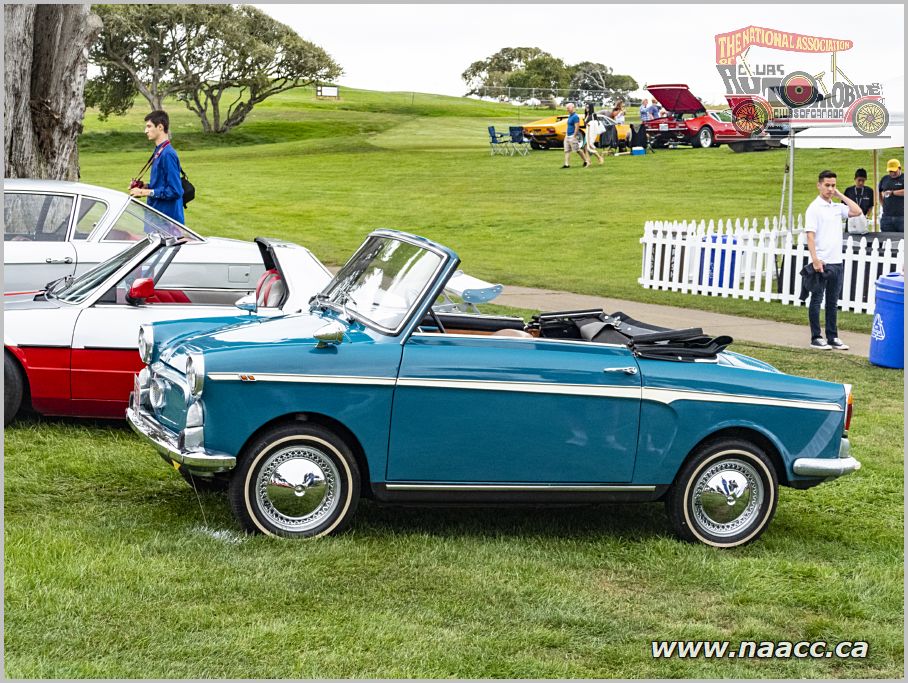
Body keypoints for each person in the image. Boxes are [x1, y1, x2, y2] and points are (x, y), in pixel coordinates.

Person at [804, 170, 862, 350]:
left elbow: (857, 211)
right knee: (816, 299)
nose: (830, 189)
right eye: (827, 185)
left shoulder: (836, 207)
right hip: (822, 261)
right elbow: (810, 236)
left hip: (837, 261)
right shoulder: (814, 208)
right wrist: (815, 260)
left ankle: (832, 336)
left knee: (832, 301)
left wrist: (839, 194)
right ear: (819, 185)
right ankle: (816, 336)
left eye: (833, 185)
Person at [129, 110, 185, 225]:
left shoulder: (168, 154)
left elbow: (175, 191)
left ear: (160, 127)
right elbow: (162, 185)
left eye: (149, 126)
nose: (146, 131)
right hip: (156, 218)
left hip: (168, 224)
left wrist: (144, 192)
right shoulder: (160, 150)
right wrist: (144, 187)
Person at [843, 168, 874, 233]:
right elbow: (844, 205)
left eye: (863, 180)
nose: (861, 183)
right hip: (851, 220)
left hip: (862, 219)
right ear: (855, 179)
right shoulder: (848, 191)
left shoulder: (869, 191)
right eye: (859, 180)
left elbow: (871, 206)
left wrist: (867, 216)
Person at [878, 158, 904, 232]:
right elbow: (879, 191)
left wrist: (893, 193)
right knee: (887, 239)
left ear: (899, 168)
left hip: (902, 217)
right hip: (887, 217)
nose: (892, 173)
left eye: (894, 171)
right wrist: (882, 203)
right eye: (890, 171)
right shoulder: (884, 179)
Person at [562, 102, 589, 169]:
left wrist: (574, 135)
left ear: (572, 108)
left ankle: (586, 161)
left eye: (568, 108)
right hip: (567, 136)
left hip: (572, 136)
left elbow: (577, 127)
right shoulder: (570, 116)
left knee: (577, 150)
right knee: (567, 150)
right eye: (567, 108)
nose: (567, 109)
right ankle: (566, 164)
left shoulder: (575, 117)